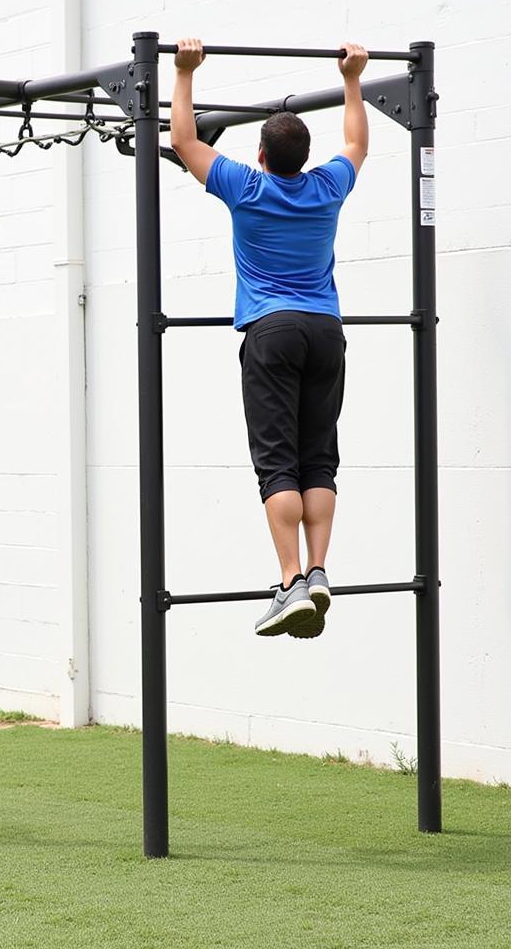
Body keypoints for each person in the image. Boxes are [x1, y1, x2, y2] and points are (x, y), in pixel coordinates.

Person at [169, 37, 369, 640]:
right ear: (304, 157)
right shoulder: (327, 187)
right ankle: (317, 570)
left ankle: (287, 583)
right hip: (325, 331)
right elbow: (357, 142)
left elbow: (183, 141)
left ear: (259, 153)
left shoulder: (246, 187)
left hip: (272, 332)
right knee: (319, 457)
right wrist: (352, 80)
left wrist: (184, 72)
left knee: (277, 462)